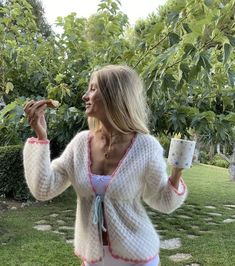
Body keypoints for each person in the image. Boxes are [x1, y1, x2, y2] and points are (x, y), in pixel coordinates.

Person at [23, 65, 187, 266]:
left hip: (137, 256)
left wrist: (177, 171)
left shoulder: (146, 146)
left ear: (114, 95)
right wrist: (41, 137)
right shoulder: (81, 144)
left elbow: (163, 201)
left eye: (93, 89)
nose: (85, 96)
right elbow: (43, 189)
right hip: (93, 257)